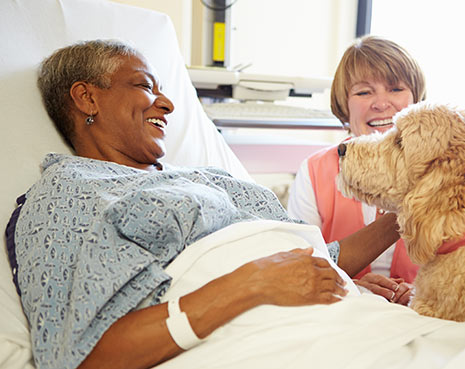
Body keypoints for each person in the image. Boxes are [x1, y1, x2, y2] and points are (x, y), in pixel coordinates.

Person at [11, 39, 357, 369]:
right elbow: (73, 358)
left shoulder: (205, 175)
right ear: (87, 98)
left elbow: (325, 255)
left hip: (332, 311)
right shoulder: (68, 190)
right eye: (145, 86)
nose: (168, 104)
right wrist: (252, 283)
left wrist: (399, 214)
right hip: (267, 334)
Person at [287, 36, 426, 304]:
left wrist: (422, 291)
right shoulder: (315, 171)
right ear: (344, 104)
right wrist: (355, 286)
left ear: (416, 98)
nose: (381, 103)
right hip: (347, 309)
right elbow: (300, 265)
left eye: (396, 89)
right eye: (364, 92)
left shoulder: (441, 168)